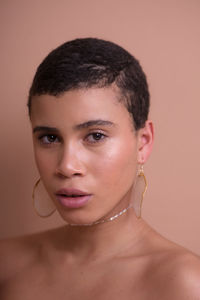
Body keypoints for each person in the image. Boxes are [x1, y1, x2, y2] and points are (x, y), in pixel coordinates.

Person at [0, 38, 200, 300]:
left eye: (95, 136)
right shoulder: (6, 264)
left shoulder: (184, 284)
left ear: (143, 143)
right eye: (50, 138)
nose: (66, 166)